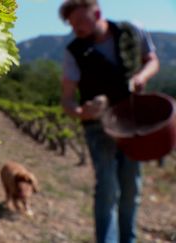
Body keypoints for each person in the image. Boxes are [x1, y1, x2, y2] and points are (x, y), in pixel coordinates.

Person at [58, 0, 160, 243]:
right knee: (106, 188)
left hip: (132, 122)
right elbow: (67, 100)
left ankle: (128, 239)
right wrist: (83, 111)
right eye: (73, 25)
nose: (78, 30)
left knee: (131, 188)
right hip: (98, 127)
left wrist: (140, 77)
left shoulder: (132, 31)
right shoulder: (74, 52)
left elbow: (152, 60)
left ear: (98, 13)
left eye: (81, 22)